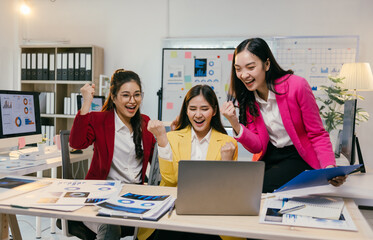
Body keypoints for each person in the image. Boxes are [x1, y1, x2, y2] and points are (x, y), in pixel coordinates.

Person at [220, 38, 347, 193]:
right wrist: (234, 122)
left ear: (267, 65)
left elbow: (317, 133)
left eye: (250, 67)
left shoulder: (297, 86)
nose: (243, 75)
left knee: (259, 188)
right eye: (238, 69)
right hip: (271, 155)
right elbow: (257, 146)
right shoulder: (248, 98)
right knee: (241, 184)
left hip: (298, 155)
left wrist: (329, 168)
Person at [144, 84, 243, 240]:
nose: (198, 115)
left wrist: (226, 162)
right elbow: (170, 180)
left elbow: (226, 192)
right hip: (175, 212)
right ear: (186, 110)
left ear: (214, 111)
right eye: (192, 109)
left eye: (204, 109)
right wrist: (162, 140)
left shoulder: (228, 143)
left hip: (210, 214)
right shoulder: (171, 138)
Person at [69, 69, 156, 240]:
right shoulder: (99, 120)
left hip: (133, 197)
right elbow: (76, 143)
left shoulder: (145, 122)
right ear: (114, 97)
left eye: (137, 95)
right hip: (100, 197)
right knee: (110, 226)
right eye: (126, 95)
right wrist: (86, 102)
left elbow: (158, 160)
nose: (132, 101)